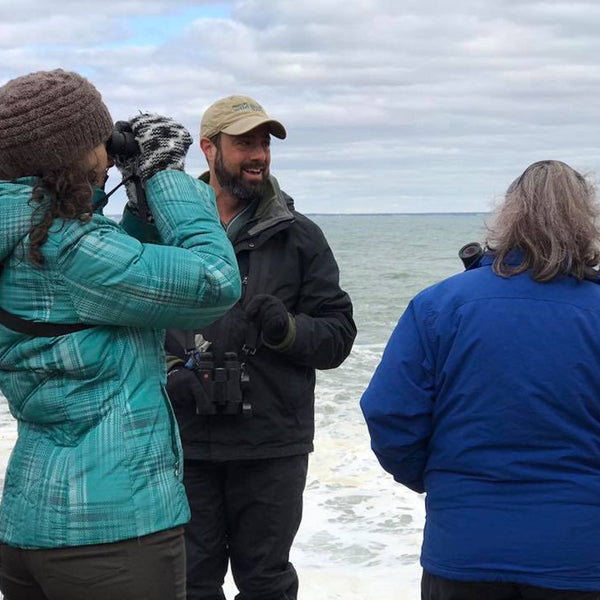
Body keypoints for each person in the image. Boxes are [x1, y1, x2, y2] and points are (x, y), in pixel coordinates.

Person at [0, 69, 241, 600]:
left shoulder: (26, 238)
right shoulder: (68, 249)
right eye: (100, 140)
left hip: (29, 523)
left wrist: (136, 208)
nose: (108, 154)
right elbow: (215, 282)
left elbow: (115, 289)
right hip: (109, 533)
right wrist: (165, 176)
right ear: (73, 153)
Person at [360, 159, 600, 599]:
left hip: (464, 546)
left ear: (508, 215)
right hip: (580, 554)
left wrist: (439, 479)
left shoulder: (440, 305)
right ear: (585, 220)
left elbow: (388, 412)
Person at [154, 95, 356, 600]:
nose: (259, 155)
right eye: (245, 142)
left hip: (271, 445)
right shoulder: (162, 232)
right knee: (189, 585)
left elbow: (338, 337)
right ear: (208, 149)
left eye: (264, 143)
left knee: (266, 583)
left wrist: (286, 330)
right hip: (184, 440)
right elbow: (125, 321)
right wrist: (168, 366)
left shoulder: (300, 237)